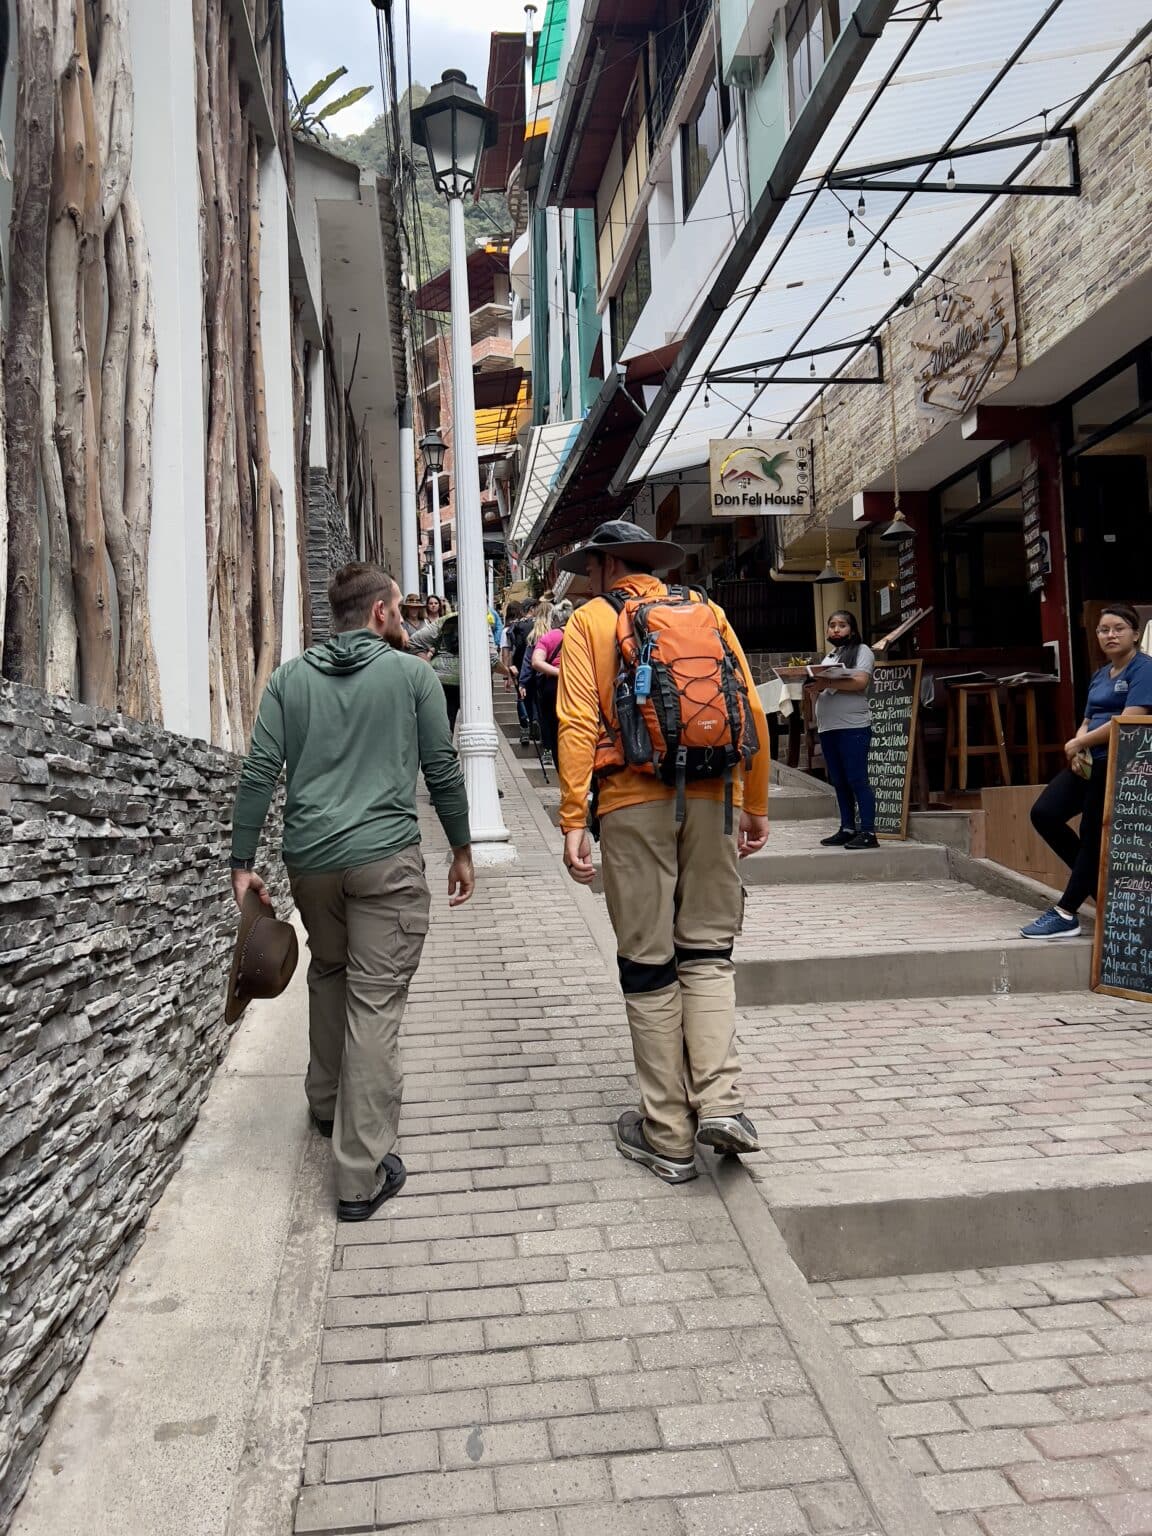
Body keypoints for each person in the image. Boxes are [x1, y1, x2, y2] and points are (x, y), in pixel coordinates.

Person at [228, 563, 475, 1221]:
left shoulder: (288, 679)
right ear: (378, 614)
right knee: (375, 1002)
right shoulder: (412, 676)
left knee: (331, 972)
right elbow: (442, 770)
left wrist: (240, 860)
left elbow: (258, 772)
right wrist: (461, 847)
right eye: (396, 608)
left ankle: (327, 1104)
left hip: (311, 865)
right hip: (384, 863)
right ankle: (360, 1175)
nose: (399, 617)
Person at [556, 521, 770, 1185]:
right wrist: (754, 804)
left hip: (631, 800)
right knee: (707, 952)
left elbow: (577, 722)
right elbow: (752, 708)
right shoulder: (706, 611)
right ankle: (724, 1103)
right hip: (713, 797)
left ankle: (669, 1134)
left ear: (606, 564)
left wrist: (572, 817)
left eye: (591, 567)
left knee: (649, 962)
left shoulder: (589, 621)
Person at [1022, 602, 1152, 940]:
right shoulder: (1101, 673)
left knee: (1093, 837)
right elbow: (1087, 717)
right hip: (1089, 762)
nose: (1110, 635)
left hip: (1121, 764)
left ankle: (1066, 912)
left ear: (1135, 634)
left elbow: (1130, 719)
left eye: (1118, 628)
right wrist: (1079, 742)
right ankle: (1102, 890)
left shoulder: (1144, 670)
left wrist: (1078, 743)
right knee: (1045, 813)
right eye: (1103, 629)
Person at [807, 609, 878, 850]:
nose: (836, 629)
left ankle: (868, 831)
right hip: (829, 727)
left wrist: (826, 682)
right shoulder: (829, 657)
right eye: (832, 625)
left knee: (857, 778)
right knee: (838, 780)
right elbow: (822, 686)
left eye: (842, 625)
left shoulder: (862, 651)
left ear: (853, 630)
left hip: (853, 726)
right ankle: (847, 828)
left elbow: (860, 681)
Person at [408, 608, 499, 732]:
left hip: (443, 682)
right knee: (477, 728)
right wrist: (508, 673)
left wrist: (428, 668)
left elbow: (413, 642)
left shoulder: (446, 619)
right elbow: (493, 660)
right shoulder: (481, 622)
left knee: (444, 729)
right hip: (475, 684)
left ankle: (445, 750)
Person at [531, 599, 573, 768]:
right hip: (579, 686)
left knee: (555, 731)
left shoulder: (549, 636)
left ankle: (563, 774)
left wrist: (559, 672)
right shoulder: (582, 634)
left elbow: (536, 662)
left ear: (555, 619)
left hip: (553, 687)